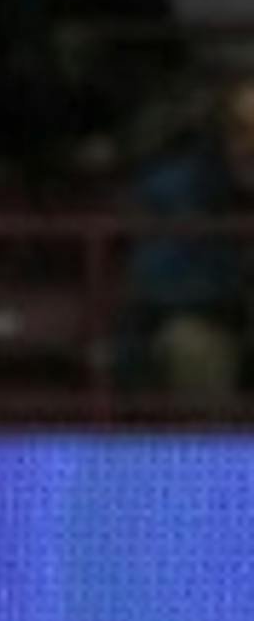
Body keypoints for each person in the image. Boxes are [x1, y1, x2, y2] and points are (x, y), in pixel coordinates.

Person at [116, 70, 254, 405]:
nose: (251, 147)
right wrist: (234, 289)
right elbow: (157, 282)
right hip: (212, 319)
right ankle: (214, 439)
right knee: (191, 344)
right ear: (221, 133)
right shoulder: (171, 190)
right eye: (242, 131)